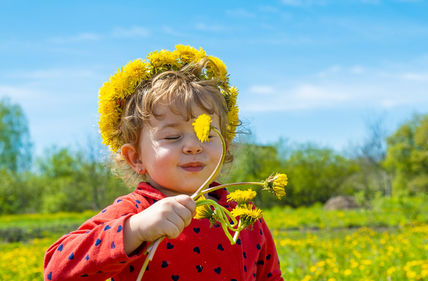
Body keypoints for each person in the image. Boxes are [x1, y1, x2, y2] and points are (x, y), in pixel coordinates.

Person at [43, 45, 284, 281]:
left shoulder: (245, 214)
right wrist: (135, 230)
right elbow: (56, 271)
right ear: (135, 157)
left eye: (208, 135)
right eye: (172, 137)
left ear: (225, 146)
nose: (194, 146)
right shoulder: (136, 211)